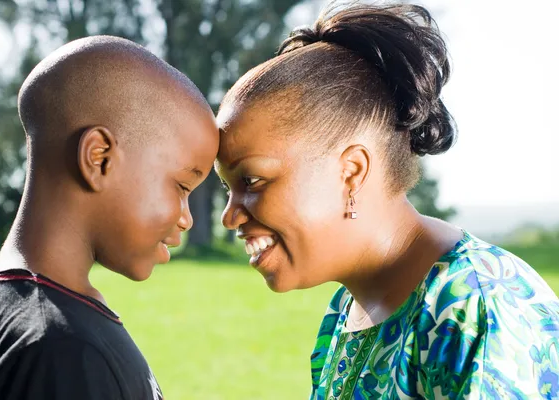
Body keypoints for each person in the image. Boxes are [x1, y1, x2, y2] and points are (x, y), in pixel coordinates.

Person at [215, 2, 559, 399]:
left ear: (352, 171)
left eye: (253, 180)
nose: (230, 216)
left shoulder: (472, 306)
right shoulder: (344, 311)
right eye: (228, 188)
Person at [0, 35, 218, 400]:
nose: (186, 219)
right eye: (180, 186)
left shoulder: (24, 309)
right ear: (99, 159)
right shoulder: (61, 350)